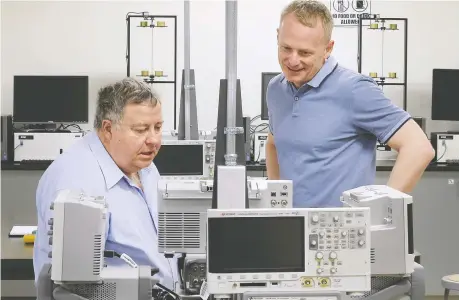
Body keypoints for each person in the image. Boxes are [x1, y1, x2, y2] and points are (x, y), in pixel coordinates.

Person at [265, 0, 435, 208]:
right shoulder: (276, 88)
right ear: (277, 38)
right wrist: (276, 206)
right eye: (286, 48)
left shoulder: (355, 90)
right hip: (290, 229)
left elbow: (419, 148)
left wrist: (380, 211)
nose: (292, 60)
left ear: (328, 49)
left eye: (304, 53)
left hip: (340, 235)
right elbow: (273, 144)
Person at [33, 78, 177, 289]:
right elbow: (70, 289)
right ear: (108, 129)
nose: (154, 140)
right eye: (141, 129)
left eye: (158, 127)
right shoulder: (75, 182)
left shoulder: (144, 165)